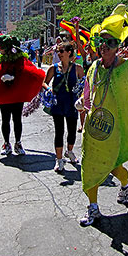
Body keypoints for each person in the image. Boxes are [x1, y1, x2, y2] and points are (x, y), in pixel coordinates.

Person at [77, 6, 128, 227]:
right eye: (101, 43)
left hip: (118, 130)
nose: (104, 48)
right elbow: (88, 91)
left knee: (112, 166)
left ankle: (125, 183)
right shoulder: (93, 67)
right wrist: (83, 102)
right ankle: (93, 208)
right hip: (94, 130)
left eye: (110, 43)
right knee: (89, 165)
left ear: (118, 46)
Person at [0, 34, 45, 155]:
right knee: (5, 119)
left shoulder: (19, 59)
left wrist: (13, 77)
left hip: (17, 94)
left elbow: (27, 71)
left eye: (1, 47)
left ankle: (18, 143)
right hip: (4, 94)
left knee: (17, 120)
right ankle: (6, 143)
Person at [42, 41, 85, 172]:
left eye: (61, 51)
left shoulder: (78, 68)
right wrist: (48, 89)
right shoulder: (53, 68)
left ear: (69, 53)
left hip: (72, 104)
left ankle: (70, 151)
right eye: (58, 51)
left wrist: (82, 98)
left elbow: (84, 86)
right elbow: (44, 82)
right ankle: (59, 160)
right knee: (59, 131)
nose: (58, 54)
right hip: (58, 104)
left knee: (72, 131)